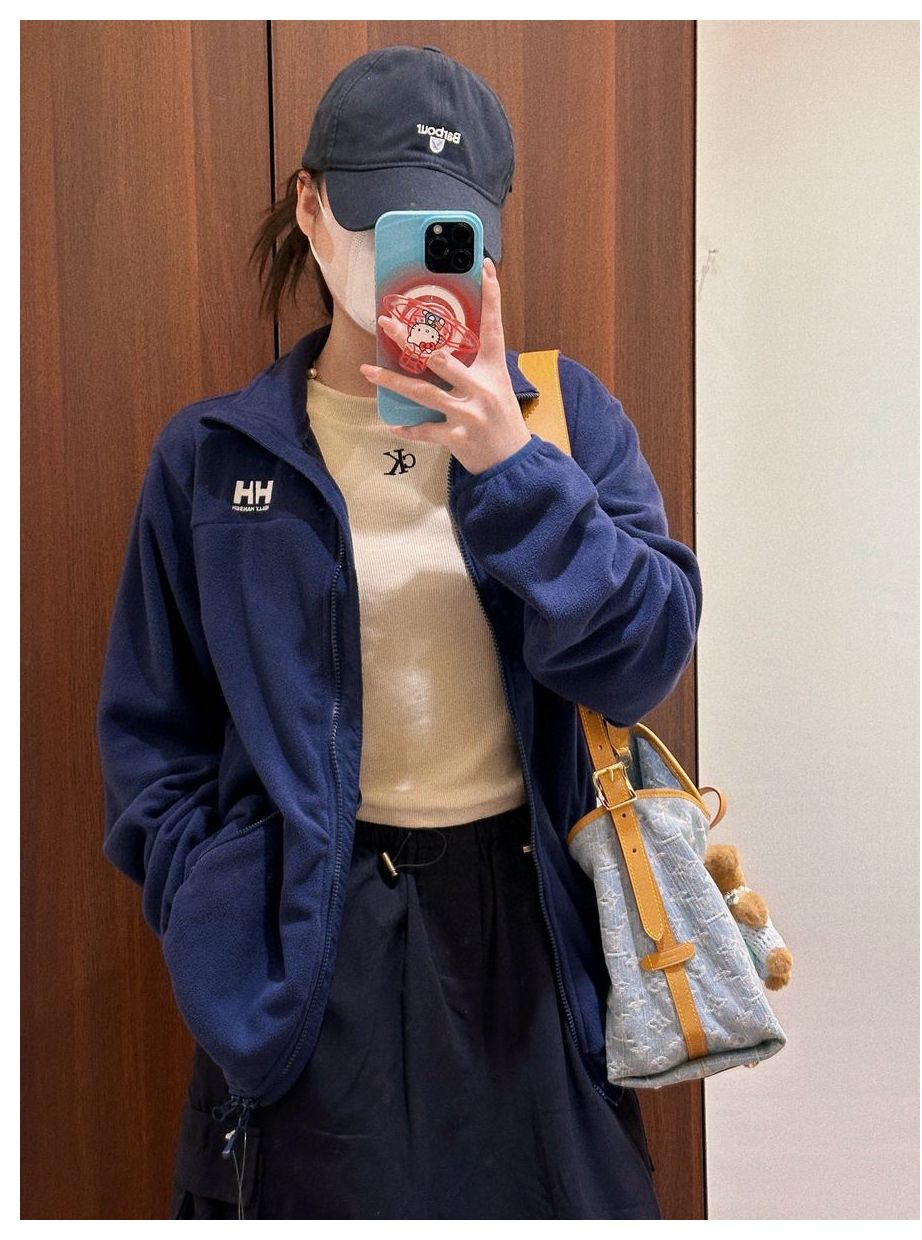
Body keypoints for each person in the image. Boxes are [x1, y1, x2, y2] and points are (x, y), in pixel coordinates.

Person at [96, 44, 703, 1220]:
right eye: (376, 222)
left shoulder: (562, 421)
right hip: (306, 939)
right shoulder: (214, 458)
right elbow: (150, 736)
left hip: (533, 935)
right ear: (310, 208)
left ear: (487, 242)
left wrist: (510, 465)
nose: (401, 261)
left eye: (441, 232)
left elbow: (643, 659)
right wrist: (220, 913)